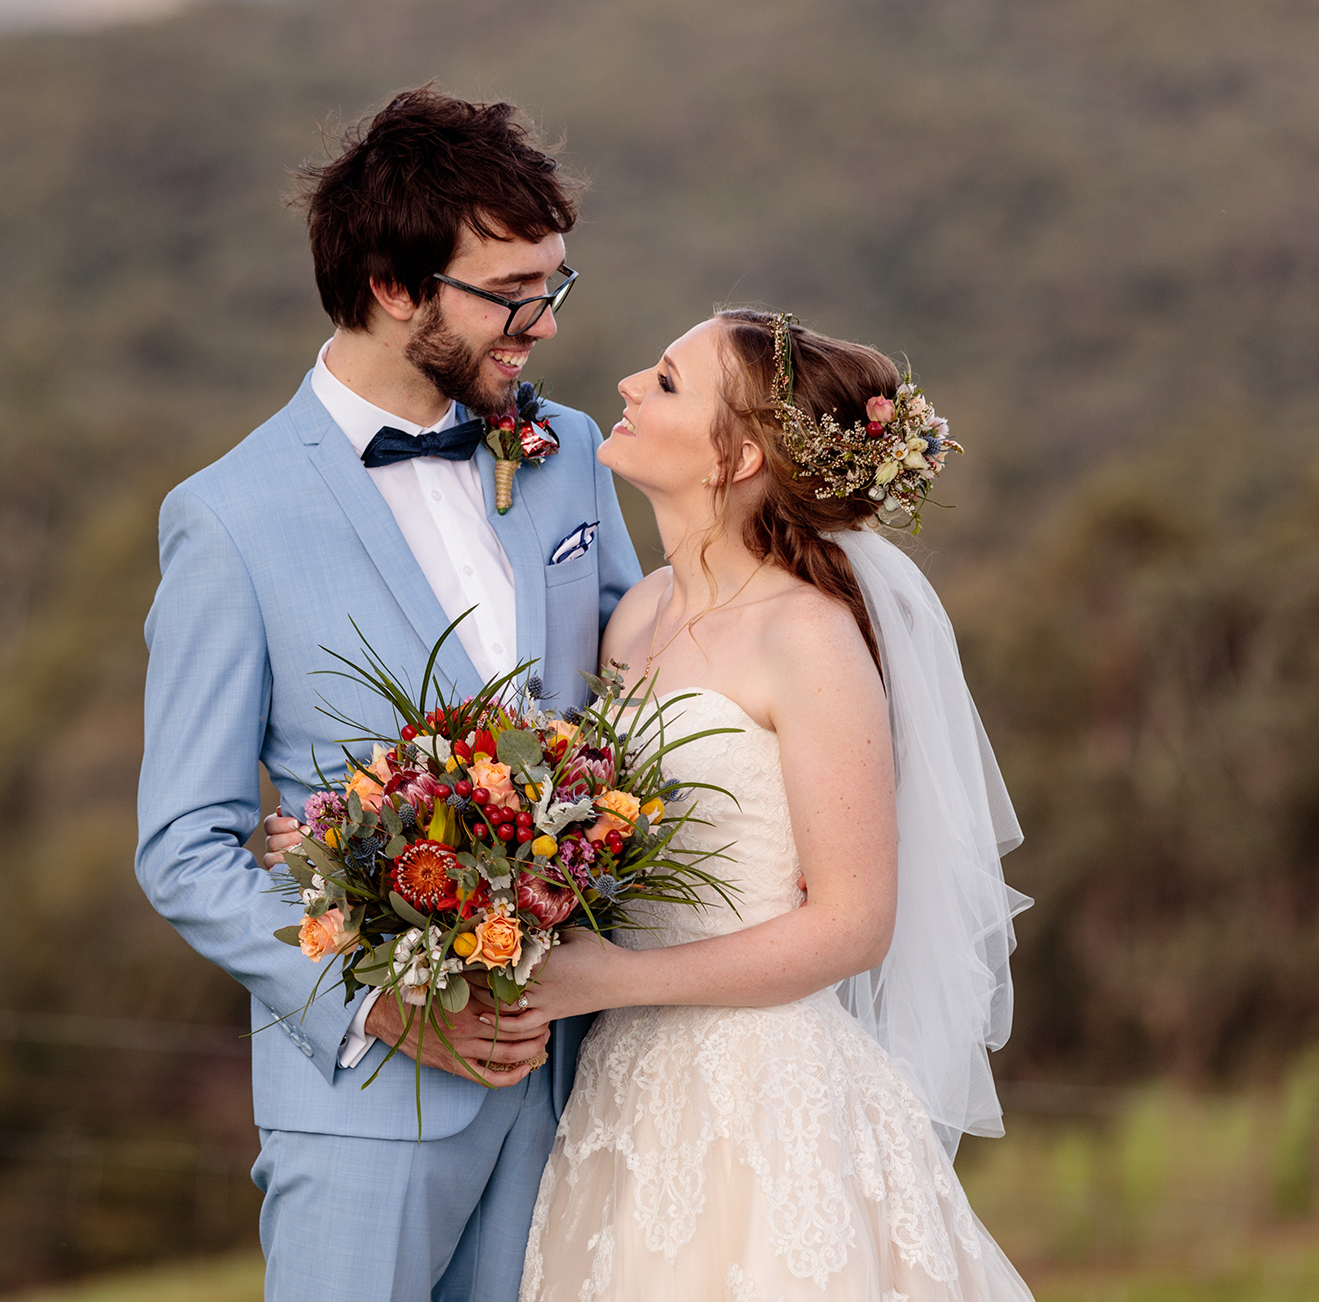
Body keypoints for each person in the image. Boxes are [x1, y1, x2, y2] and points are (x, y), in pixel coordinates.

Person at [264, 309, 1035, 1299]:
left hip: (760, 1092)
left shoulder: (807, 637)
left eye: (667, 382)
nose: (627, 384)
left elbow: (852, 922)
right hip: (619, 1096)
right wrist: (355, 841)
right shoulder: (635, 615)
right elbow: (544, 811)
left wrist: (614, 979)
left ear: (737, 454)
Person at [134, 86, 641, 1302]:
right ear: (391, 284)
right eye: (510, 294)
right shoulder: (227, 519)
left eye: (551, 286)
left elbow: (639, 702)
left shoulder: (567, 451)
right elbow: (184, 848)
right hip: (368, 1114)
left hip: (588, 1084)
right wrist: (383, 1008)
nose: (543, 326)